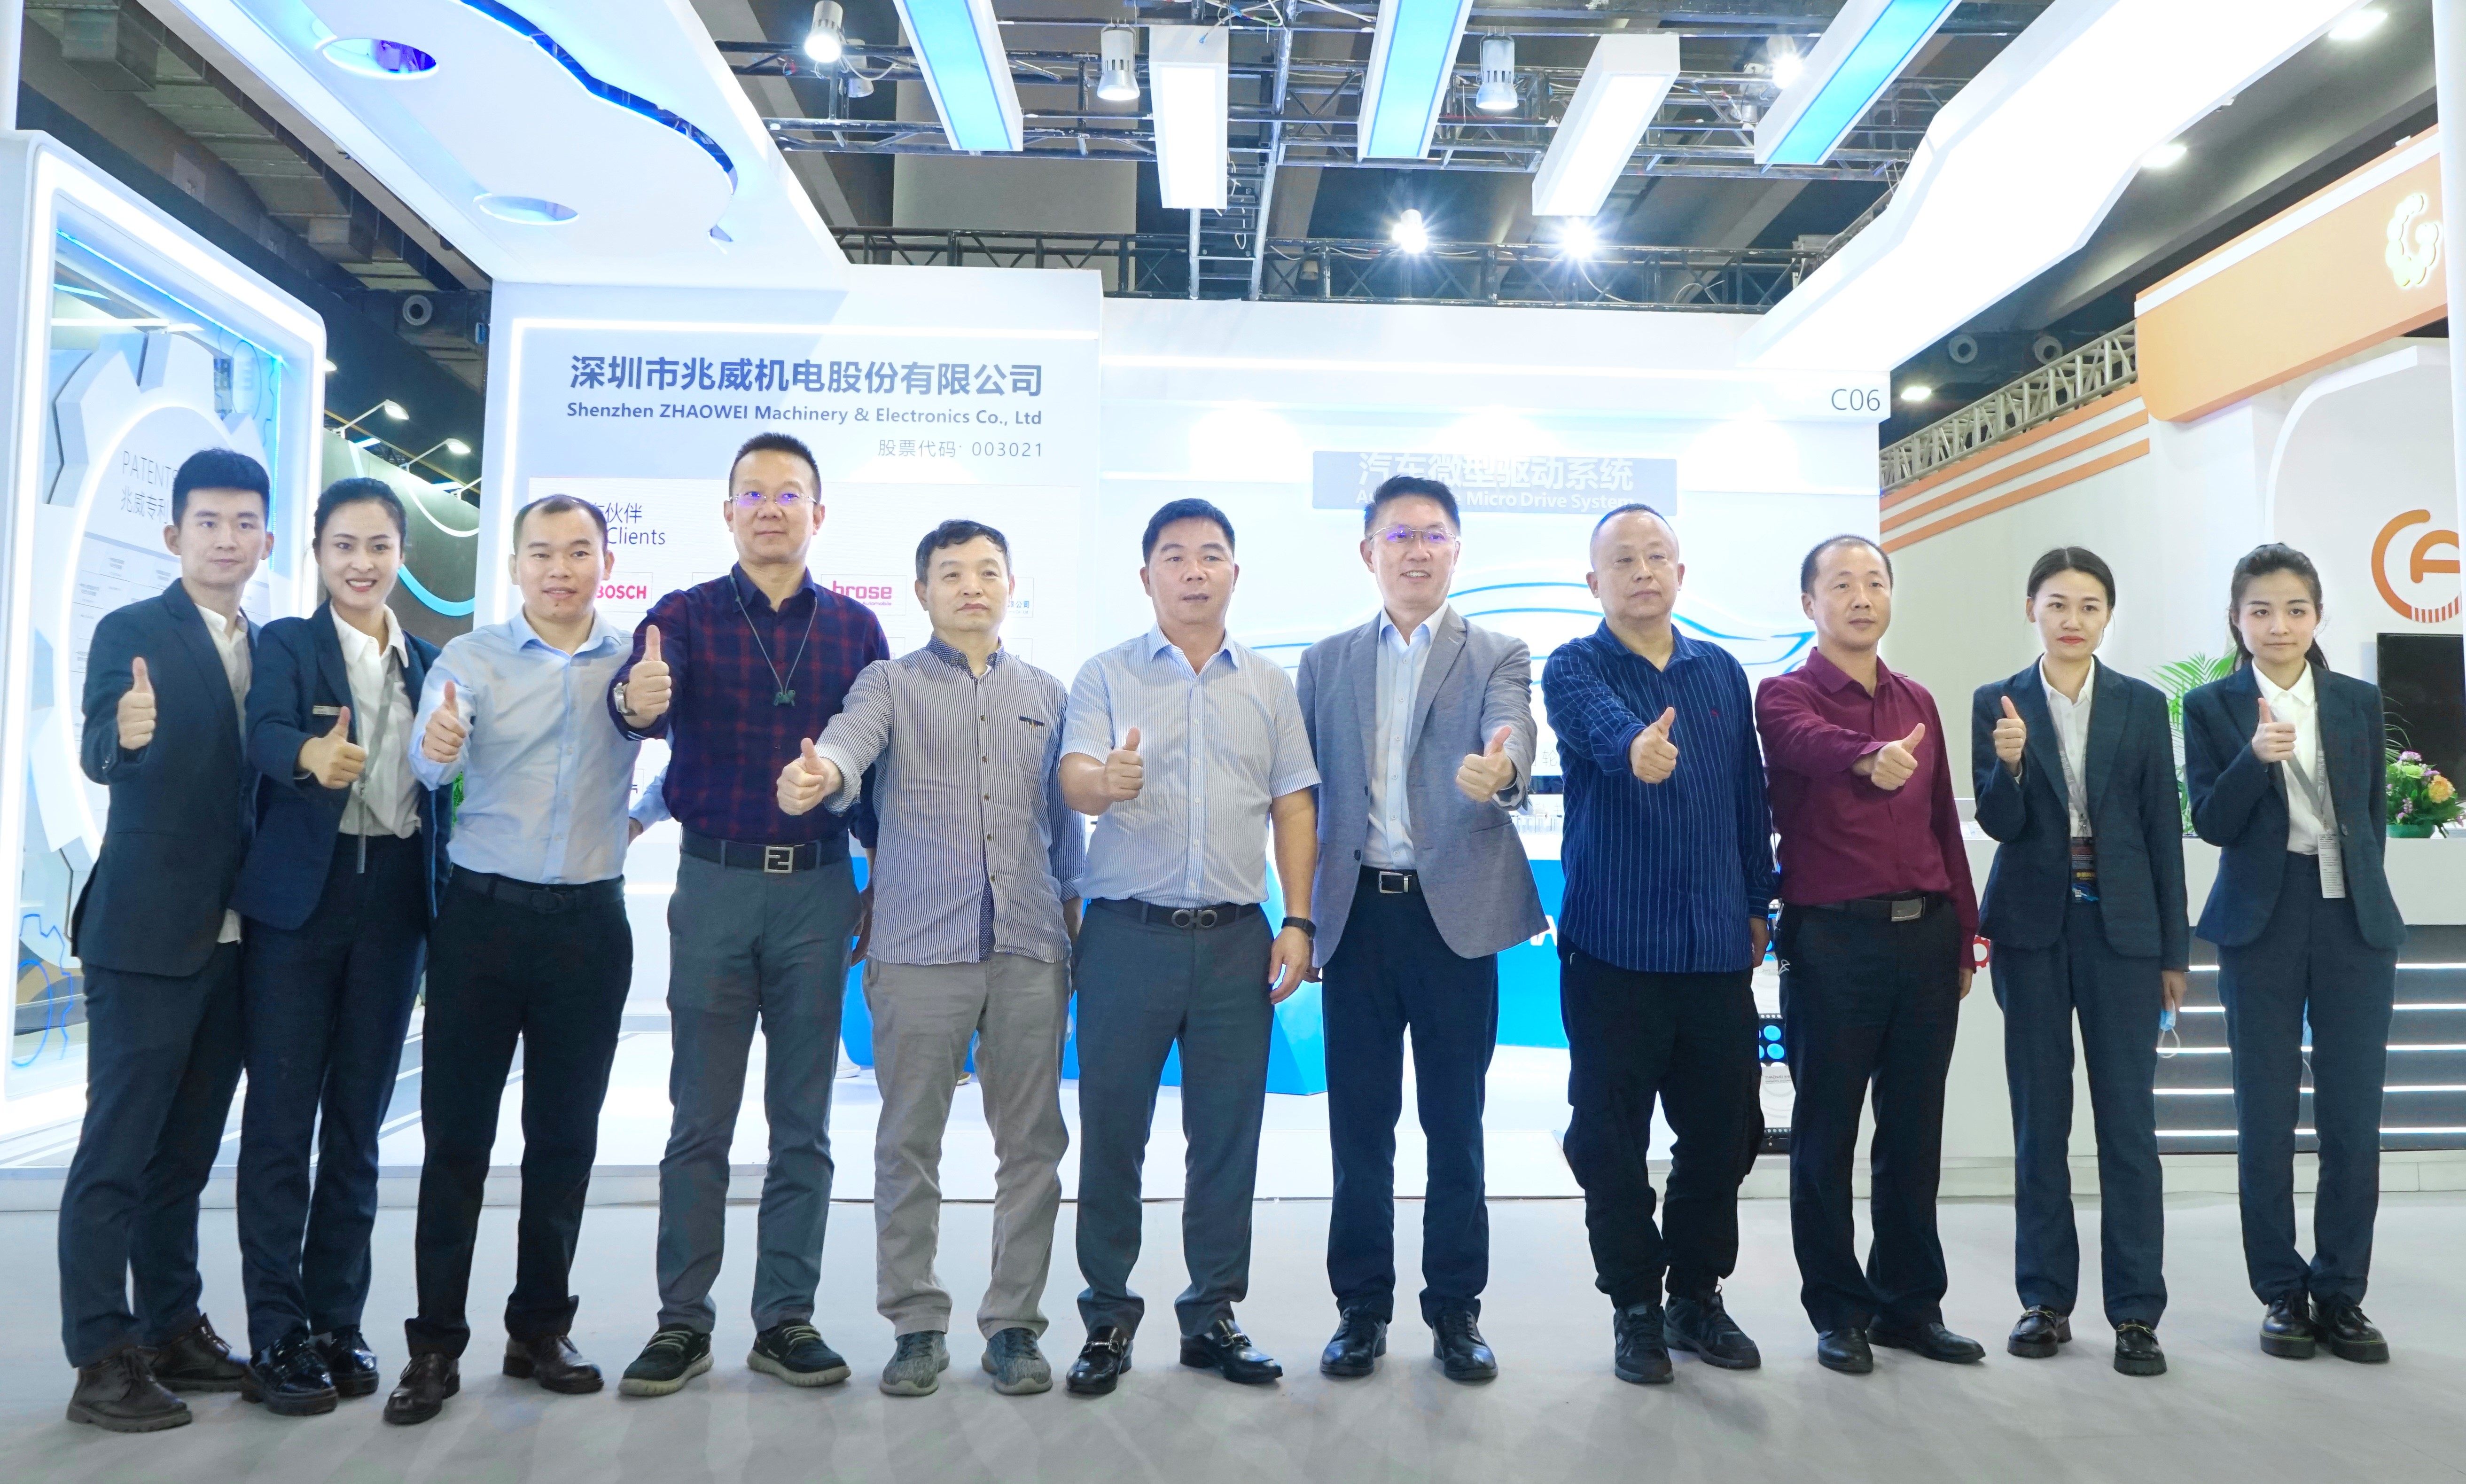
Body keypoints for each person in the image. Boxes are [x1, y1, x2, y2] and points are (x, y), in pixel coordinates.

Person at [776, 519, 1086, 1398]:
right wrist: (822, 775)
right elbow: (849, 744)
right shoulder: (891, 683)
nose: (971, 586)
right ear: (922, 592)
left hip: (1029, 947)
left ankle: (1014, 1324)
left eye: (988, 570)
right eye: (952, 573)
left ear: (1011, 585)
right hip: (919, 948)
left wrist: (1076, 934)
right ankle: (915, 1322)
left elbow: (1064, 831)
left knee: (1032, 1145)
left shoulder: (1048, 694)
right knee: (908, 1142)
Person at [606, 431, 887, 1397]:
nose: (771, 508)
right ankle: (682, 1321)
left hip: (818, 888)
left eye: (789, 493)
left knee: (803, 1121)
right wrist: (635, 696)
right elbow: (640, 705)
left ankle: (786, 1319)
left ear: (819, 512)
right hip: (717, 886)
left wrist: (878, 878)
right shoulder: (681, 615)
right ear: (728, 512)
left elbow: (880, 764)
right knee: (700, 1119)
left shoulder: (856, 630)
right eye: (753, 494)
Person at [381, 496, 645, 1424]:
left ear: (606, 562)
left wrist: (640, 817)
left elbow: (683, 759)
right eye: (541, 552)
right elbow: (430, 763)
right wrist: (437, 746)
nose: (559, 568)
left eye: (578, 552)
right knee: (456, 1140)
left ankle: (539, 1329)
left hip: (590, 927)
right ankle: (433, 1346)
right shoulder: (473, 657)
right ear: (515, 565)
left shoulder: (635, 663)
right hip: (482, 922)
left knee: (564, 1140)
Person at [1059, 498, 1319, 1396]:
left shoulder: (1270, 685)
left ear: (1235, 573)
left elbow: (1294, 804)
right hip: (1126, 938)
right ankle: (1106, 1316)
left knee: (1226, 1138)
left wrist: (1298, 920)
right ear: (1147, 577)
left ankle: (1212, 1314)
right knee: (1113, 1132)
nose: (1194, 570)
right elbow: (1076, 779)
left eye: (1211, 554)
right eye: (1175, 556)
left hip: (1237, 939)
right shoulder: (1106, 674)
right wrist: (1107, 778)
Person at [1295, 476, 1540, 1384]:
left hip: (1455, 922)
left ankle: (1456, 1310)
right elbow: (1301, 796)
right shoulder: (1325, 662)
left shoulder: (1498, 651)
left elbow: (1514, 730)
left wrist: (1502, 769)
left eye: (1434, 534)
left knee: (1455, 1125)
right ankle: (1361, 1308)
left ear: (1457, 549)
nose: (1416, 550)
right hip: (1358, 916)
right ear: (1369, 552)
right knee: (1360, 1128)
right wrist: (1298, 913)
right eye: (1398, 535)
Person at [58, 449, 275, 1432]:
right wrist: (128, 733)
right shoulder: (133, 631)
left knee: (184, 1155)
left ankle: (171, 1325)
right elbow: (99, 747)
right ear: (174, 534)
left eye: (244, 523)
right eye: (208, 522)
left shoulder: (270, 647)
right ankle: (101, 1355)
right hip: (146, 934)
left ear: (266, 539)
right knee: (116, 1152)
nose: (226, 539)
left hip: (234, 939)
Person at [1540, 504, 1776, 1386]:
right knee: (1609, 1139)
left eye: (1657, 556)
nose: (1643, 571)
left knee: (1725, 1133)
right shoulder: (1574, 664)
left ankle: (1696, 1295)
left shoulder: (1722, 672)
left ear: (1681, 571)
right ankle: (1635, 1303)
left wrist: (1757, 901)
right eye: (1623, 560)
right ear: (1593, 581)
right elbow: (1601, 725)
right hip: (1613, 949)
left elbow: (1749, 798)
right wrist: (1635, 746)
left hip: (1714, 948)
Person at [230, 478, 451, 1416]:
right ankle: (276, 1330)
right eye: (344, 546)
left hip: (396, 898)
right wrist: (307, 757)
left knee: (359, 1124)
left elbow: (443, 776)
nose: (362, 564)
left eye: (379, 546)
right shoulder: (289, 643)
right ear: (317, 553)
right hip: (300, 905)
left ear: (403, 554)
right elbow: (262, 731)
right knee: (282, 1122)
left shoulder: (431, 662)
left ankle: (336, 1319)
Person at [1754, 534, 1982, 1376]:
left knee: (1915, 1131)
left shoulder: (1917, 698)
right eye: (1842, 584)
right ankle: (1838, 1310)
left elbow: (1943, 826)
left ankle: (1910, 1304)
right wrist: (1865, 756)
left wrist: (1966, 933)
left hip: (1925, 935)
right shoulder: (1783, 695)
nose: (1861, 597)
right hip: (1833, 940)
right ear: (1809, 604)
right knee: (1827, 1131)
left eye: (1875, 582)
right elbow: (1807, 742)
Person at [2182, 543, 2405, 1364]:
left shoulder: (2355, 701)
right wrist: (2254, 758)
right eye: (2262, 610)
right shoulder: (2211, 706)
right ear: (2237, 619)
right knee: (2265, 1113)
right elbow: (2211, 821)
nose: (2279, 625)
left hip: (2353, 920)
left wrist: (2356, 886)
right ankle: (2281, 1289)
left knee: (2353, 1115)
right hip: (2261, 920)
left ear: (2316, 617)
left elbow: (2372, 816)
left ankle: (2343, 1291)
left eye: (2296, 609)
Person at [1971, 547, 2188, 1378]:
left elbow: (2162, 831)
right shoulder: (1998, 700)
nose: (2073, 619)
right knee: (2040, 1119)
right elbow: (1999, 822)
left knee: (2129, 1124)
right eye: (2058, 603)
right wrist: (2012, 763)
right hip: (2032, 932)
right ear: (2031, 608)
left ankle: (2136, 1311)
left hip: (2124, 933)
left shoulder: (2140, 703)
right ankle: (2045, 1300)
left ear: (2107, 616)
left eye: (2090, 606)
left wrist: (2174, 948)